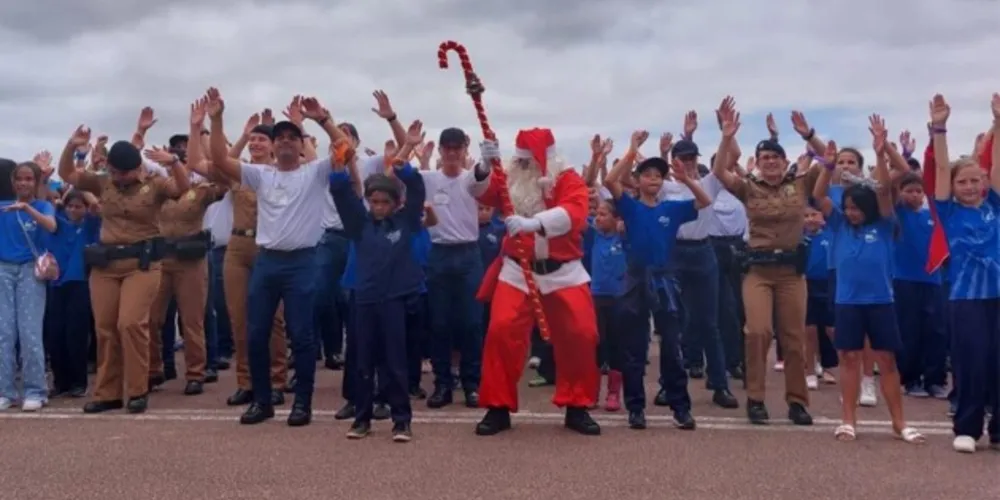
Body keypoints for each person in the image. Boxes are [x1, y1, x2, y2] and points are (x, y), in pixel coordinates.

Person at [206, 87, 351, 426]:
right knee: (255, 333)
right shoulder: (261, 175)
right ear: (272, 146)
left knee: (301, 335)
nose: (285, 141)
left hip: (303, 262)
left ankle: (303, 404)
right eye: (280, 138)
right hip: (268, 261)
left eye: (292, 137)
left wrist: (324, 120)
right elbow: (218, 159)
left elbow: (346, 150)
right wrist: (216, 120)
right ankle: (261, 401)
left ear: (302, 145)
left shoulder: (314, 173)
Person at [474, 127, 600, 436]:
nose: (522, 167)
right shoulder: (511, 176)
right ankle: (498, 407)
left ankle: (577, 405)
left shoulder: (567, 178)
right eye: (520, 161)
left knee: (581, 334)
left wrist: (535, 223)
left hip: (563, 272)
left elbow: (576, 213)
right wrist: (483, 168)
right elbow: (482, 192)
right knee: (501, 331)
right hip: (518, 270)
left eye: (528, 162)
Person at [59, 126, 191, 414]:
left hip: (141, 264)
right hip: (106, 265)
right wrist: (71, 146)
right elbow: (68, 175)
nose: (120, 178)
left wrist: (174, 163)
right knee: (105, 328)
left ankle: (137, 389)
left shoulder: (154, 183)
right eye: (116, 172)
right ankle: (108, 392)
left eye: (125, 173)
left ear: (137, 168)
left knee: (130, 324)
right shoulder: (103, 182)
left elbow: (182, 189)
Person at [711, 96, 824, 426]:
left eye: (775, 156)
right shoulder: (749, 187)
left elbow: (826, 159)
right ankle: (756, 399)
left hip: (791, 271)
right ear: (757, 162)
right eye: (764, 158)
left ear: (784, 159)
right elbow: (719, 171)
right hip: (758, 270)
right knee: (758, 332)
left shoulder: (800, 184)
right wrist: (727, 136)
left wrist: (808, 134)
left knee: (793, 338)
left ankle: (797, 402)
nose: (770, 162)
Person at [813, 115, 924, 444]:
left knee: (887, 360)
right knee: (848, 358)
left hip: (881, 302)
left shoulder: (885, 224)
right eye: (847, 207)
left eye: (856, 208)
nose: (851, 212)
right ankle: (848, 421)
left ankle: (899, 422)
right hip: (847, 302)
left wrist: (880, 151)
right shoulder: (839, 225)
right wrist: (827, 166)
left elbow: (890, 186)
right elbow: (820, 196)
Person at [604, 130, 708, 430]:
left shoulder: (671, 209)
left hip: (665, 280)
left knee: (672, 345)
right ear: (637, 180)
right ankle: (635, 407)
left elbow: (705, 201)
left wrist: (685, 178)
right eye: (646, 174)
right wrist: (631, 149)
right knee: (635, 347)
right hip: (636, 279)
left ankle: (680, 406)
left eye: (658, 175)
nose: (653, 178)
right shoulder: (631, 206)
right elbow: (611, 181)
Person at [332, 121, 427, 442]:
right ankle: (362, 419)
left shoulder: (406, 221)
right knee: (362, 362)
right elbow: (344, 199)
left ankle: (402, 421)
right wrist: (337, 170)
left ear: (395, 204)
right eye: (374, 201)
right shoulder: (360, 225)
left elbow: (417, 193)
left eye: (385, 202)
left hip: (395, 301)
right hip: (364, 299)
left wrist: (408, 168)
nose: (379, 207)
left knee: (395, 363)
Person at [928, 93, 1000, 453]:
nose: (971, 187)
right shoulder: (949, 212)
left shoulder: (995, 206)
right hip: (966, 298)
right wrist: (939, 128)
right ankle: (968, 426)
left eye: (976, 181)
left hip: (998, 295)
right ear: (954, 188)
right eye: (963, 182)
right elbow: (941, 169)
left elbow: (998, 165)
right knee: (971, 361)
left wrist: (999, 124)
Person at [146, 99, 227, 396]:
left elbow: (218, 172)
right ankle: (153, 370)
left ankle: (196, 372)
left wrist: (199, 130)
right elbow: (133, 161)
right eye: (172, 154)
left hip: (191, 260)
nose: (177, 156)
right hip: (160, 258)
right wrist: (141, 133)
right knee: (152, 318)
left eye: (180, 154)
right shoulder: (157, 188)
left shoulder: (202, 190)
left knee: (192, 320)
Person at [423, 126, 486, 409]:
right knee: (439, 323)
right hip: (439, 255)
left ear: (465, 149)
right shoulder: (428, 179)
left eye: (457, 148)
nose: (451, 153)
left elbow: (482, 176)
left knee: (472, 322)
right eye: (447, 148)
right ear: (440, 150)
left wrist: (488, 155)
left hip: (468, 254)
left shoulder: (470, 179)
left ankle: (472, 384)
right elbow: (397, 175)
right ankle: (442, 384)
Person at [0, 161, 57, 411]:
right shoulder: (3, 208)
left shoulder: (42, 206)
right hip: (3, 269)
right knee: (4, 333)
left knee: (29, 331)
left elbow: (51, 225)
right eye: (19, 179)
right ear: (12, 182)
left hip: (29, 272)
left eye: (28, 179)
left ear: (35, 182)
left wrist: (26, 208)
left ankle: (35, 390)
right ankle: (6, 390)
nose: (23, 183)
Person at [893, 172, 947, 398]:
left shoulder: (933, 214)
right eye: (909, 191)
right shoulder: (897, 214)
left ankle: (935, 380)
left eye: (918, 191)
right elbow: (892, 186)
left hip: (933, 279)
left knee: (936, 331)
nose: (914, 195)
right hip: (904, 280)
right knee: (910, 331)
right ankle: (911, 379)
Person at [44, 189, 101, 399]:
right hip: (56, 284)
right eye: (70, 206)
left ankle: (78, 382)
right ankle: (61, 382)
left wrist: (84, 188)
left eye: (78, 206)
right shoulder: (58, 223)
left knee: (75, 335)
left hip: (80, 283)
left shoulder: (90, 225)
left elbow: (96, 206)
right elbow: (48, 203)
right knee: (55, 335)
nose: (73, 210)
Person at [586, 200, 626, 412]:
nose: (598, 218)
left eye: (604, 214)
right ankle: (592, 392)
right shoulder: (594, 236)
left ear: (616, 218)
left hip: (619, 297)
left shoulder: (624, 236)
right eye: (597, 214)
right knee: (596, 345)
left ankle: (613, 393)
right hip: (596, 296)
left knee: (616, 345)